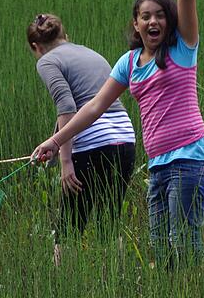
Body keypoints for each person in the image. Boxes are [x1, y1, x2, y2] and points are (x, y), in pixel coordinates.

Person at [32, 0, 204, 269]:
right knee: (162, 251)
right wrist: (54, 143)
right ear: (135, 24)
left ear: (170, 21)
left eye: (160, 16)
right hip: (159, 165)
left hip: (192, 160)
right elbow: (94, 108)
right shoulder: (130, 63)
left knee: (185, 245)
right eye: (145, 16)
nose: (153, 22)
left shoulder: (183, 49)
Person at [28, 14, 136, 265]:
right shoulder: (89, 53)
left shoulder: (46, 61)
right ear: (64, 36)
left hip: (93, 144)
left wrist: (66, 162)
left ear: (35, 47)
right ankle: (116, 284)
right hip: (124, 139)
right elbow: (84, 101)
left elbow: (67, 107)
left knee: (68, 230)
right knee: (109, 224)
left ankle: (62, 286)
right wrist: (56, 142)